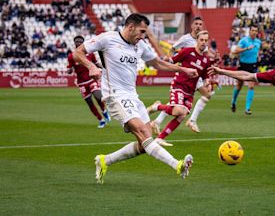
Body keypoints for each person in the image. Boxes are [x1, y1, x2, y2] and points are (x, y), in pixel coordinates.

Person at [72, 13, 198, 183]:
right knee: (144, 132)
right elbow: (78, 53)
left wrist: (183, 70)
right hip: (115, 95)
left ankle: (105, 160)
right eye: (141, 31)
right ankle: (178, 165)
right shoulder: (107, 39)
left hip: (133, 96)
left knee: (144, 145)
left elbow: (158, 63)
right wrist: (91, 66)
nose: (143, 36)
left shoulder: (141, 45)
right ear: (131, 27)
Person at [147, 31, 213, 146]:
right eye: (201, 40)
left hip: (190, 91)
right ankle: (156, 106)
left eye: (206, 40)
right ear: (197, 40)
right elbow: (172, 61)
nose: (203, 42)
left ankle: (160, 138)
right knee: (178, 110)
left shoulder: (206, 60)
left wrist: (208, 83)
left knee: (181, 115)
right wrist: (165, 60)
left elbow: (205, 77)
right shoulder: (187, 51)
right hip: (179, 85)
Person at [67, 35, 110, 128]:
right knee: (89, 102)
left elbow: (95, 63)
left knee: (98, 96)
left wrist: (102, 67)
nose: (78, 43)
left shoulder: (90, 54)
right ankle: (101, 120)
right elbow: (70, 68)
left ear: (83, 43)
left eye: (80, 41)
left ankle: (104, 111)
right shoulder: (71, 56)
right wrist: (69, 70)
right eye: (76, 41)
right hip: (81, 83)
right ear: (74, 43)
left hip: (92, 79)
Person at [231, 24, 261, 115]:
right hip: (243, 65)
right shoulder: (244, 40)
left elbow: (257, 51)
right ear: (249, 31)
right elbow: (235, 51)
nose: (254, 32)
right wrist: (247, 48)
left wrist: (257, 57)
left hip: (253, 66)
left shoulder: (258, 42)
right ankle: (233, 101)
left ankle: (247, 109)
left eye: (256, 31)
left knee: (251, 85)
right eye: (253, 30)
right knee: (239, 86)